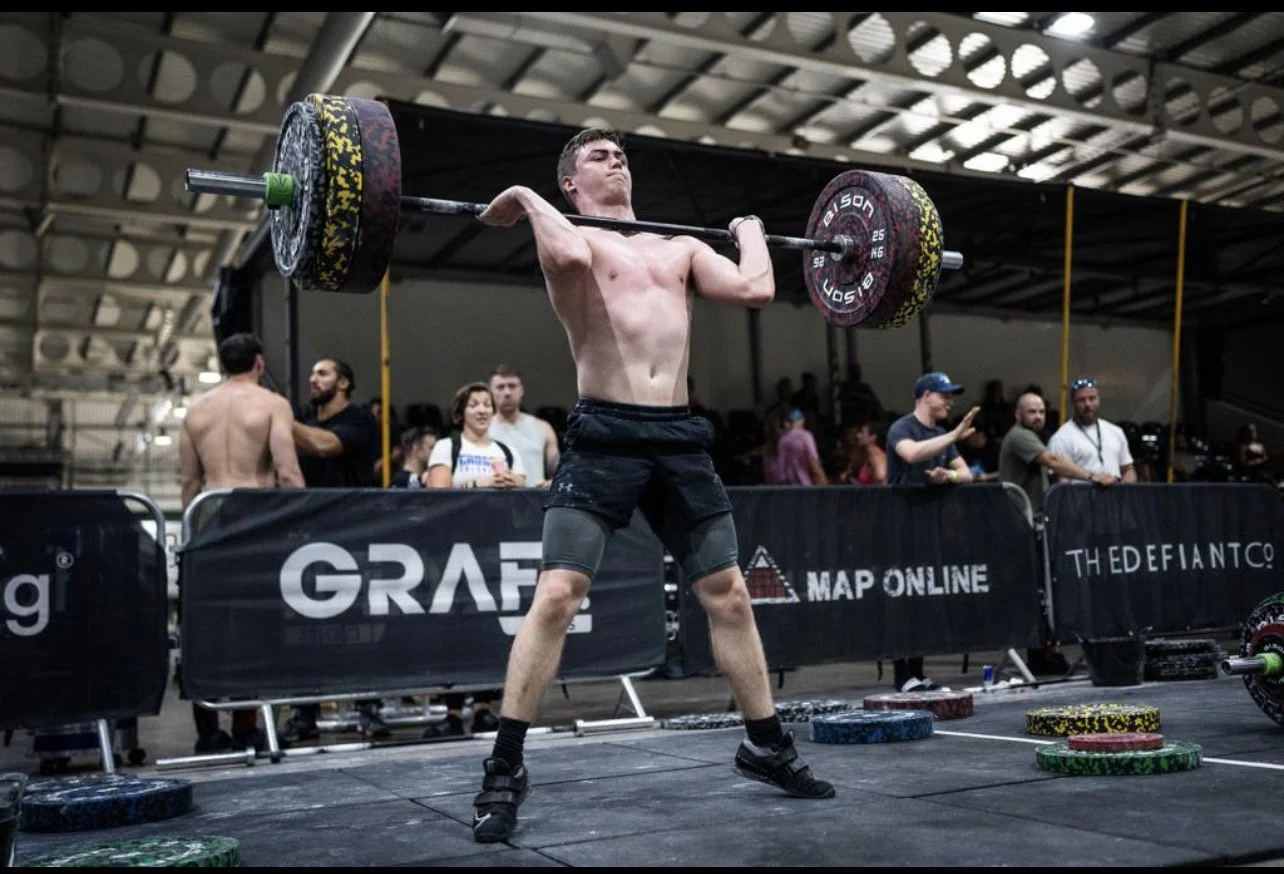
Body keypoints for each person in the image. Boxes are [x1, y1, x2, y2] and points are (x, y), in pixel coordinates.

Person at [466, 127, 834, 843]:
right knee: (557, 593)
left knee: (727, 592)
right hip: (604, 436)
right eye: (599, 156)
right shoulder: (570, 238)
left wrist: (750, 231)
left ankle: (766, 744)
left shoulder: (679, 249)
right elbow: (569, 251)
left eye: (621, 154)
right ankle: (505, 766)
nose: (617, 161)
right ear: (570, 182)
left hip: (679, 439)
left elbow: (756, 286)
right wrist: (521, 197)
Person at [179, 332, 304, 753]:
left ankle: (207, 731)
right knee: (256, 622)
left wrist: (191, 536)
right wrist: (304, 526)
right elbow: (287, 472)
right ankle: (247, 727)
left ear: (223, 364)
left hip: (209, 516)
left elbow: (189, 481)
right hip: (255, 517)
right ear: (259, 364)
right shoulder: (271, 404)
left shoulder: (196, 411)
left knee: (208, 623)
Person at [282, 357, 384, 743]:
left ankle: (367, 708)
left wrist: (276, 417)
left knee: (360, 627)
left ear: (343, 382)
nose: (313, 378)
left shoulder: (360, 421)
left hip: (354, 534)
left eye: (322, 373)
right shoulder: (302, 417)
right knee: (303, 628)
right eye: (311, 373)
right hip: (307, 538)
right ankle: (303, 713)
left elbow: (324, 446)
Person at [998, 391, 1117, 675]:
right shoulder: (1020, 436)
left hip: (1033, 524)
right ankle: (1037, 654)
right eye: (1031, 412)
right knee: (1031, 591)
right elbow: (1052, 460)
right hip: (1020, 527)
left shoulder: (1030, 436)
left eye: (1041, 411)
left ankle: (1042, 653)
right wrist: (1092, 475)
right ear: (1018, 415)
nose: (1037, 416)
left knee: (1042, 590)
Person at [884, 371, 979, 694]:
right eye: (944, 395)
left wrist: (946, 477)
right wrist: (954, 436)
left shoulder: (939, 433)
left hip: (930, 528)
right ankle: (902, 673)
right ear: (925, 396)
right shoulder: (903, 427)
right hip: (899, 527)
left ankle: (918, 672)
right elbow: (910, 453)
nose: (949, 401)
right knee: (903, 599)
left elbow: (965, 474)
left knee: (923, 597)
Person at [1046, 377, 1138, 484]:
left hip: (1114, 497)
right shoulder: (1061, 438)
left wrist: (1123, 491)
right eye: (1081, 400)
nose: (1088, 404)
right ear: (1073, 403)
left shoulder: (1116, 432)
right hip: (1080, 497)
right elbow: (1061, 480)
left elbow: (1128, 469)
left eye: (1092, 398)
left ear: (1099, 399)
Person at [488, 364, 560, 489]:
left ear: (521, 390)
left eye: (512, 386)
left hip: (533, 502)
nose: (507, 392)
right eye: (500, 387)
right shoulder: (482, 429)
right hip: (492, 502)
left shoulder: (543, 428)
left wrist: (554, 481)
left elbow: (558, 471)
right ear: (490, 391)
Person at [763, 408, 828, 485]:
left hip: (782, 490)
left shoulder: (770, 449)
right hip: (803, 489)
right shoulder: (804, 436)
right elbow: (815, 468)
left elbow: (770, 478)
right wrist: (825, 491)